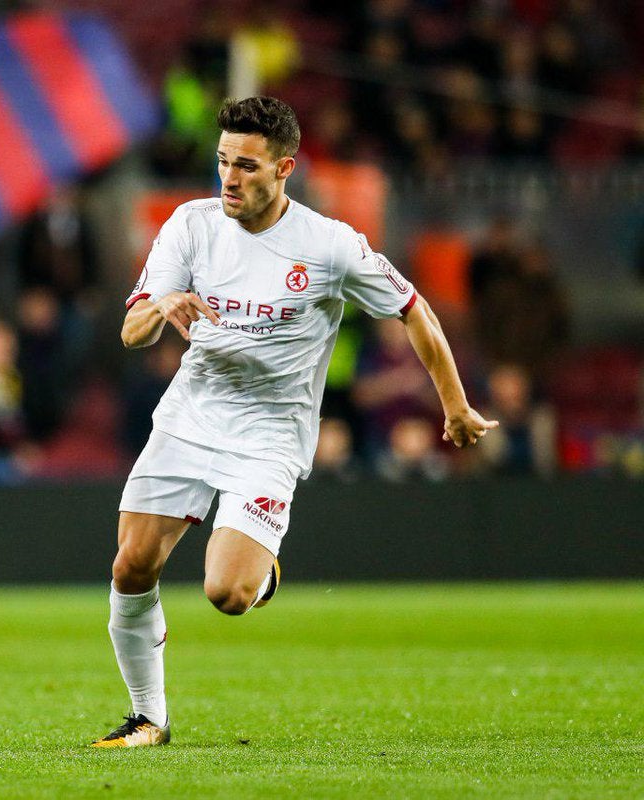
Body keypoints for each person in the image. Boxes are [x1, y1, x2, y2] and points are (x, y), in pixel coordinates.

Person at [92, 97, 497, 748]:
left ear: (284, 169)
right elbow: (132, 328)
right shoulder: (191, 226)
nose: (229, 178)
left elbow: (413, 310)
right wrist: (165, 302)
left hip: (270, 434)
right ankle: (149, 719)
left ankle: (263, 572)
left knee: (226, 592)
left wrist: (455, 404)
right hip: (191, 414)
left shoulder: (328, 246)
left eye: (246, 166)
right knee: (131, 567)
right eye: (222, 161)